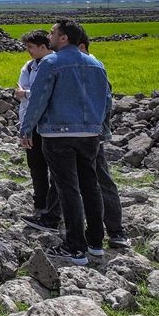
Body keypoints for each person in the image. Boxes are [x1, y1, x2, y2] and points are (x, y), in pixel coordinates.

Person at [25, 31, 130, 249]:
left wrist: (26, 129)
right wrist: (99, 128)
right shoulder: (97, 65)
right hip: (90, 133)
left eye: (52, 32)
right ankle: (95, 240)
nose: (49, 36)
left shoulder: (52, 63)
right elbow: (106, 100)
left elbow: (39, 98)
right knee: (89, 185)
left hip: (60, 133)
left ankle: (77, 244)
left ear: (66, 39)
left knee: (70, 186)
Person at [14, 30, 54, 223]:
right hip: (31, 123)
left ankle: (54, 208)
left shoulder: (55, 64)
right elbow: (21, 92)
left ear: (42, 47)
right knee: (36, 167)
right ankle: (41, 205)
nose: (28, 51)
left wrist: (28, 94)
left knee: (56, 169)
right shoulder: (29, 66)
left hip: (51, 124)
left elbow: (40, 93)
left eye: (30, 47)